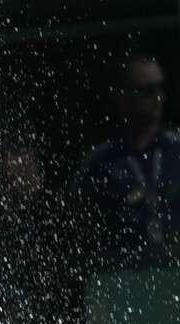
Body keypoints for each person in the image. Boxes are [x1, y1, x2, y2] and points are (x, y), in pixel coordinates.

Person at [76, 52, 180, 268]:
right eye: (146, 91)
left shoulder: (176, 149)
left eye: (160, 88)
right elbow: (79, 228)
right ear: (120, 95)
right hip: (121, 277)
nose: (157, 97)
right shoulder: (100, 161)